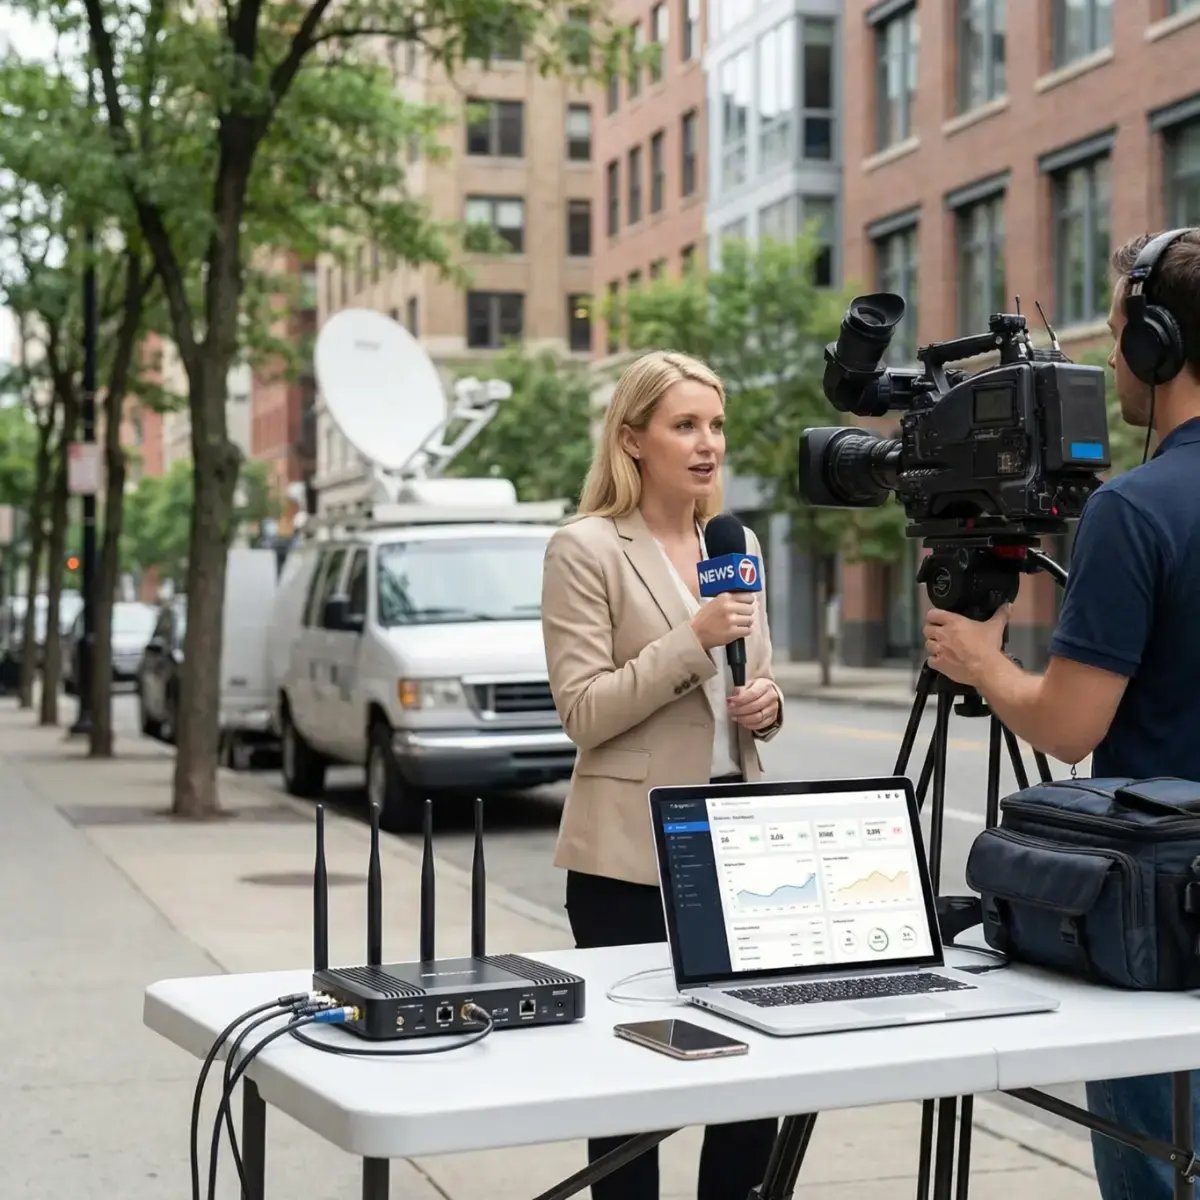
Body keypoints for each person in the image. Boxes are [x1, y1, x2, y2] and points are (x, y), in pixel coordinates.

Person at [921, 228, 1200, 1200]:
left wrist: (982, 663)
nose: (1114, 359)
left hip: (1167, 919)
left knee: (1159, 1177)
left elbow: (1070, 724)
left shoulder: (1137, 510)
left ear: (1156, 346)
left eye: (1122, 333)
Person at [541, 350, 784, 1200]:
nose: (707, 442)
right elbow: (584, 712)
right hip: (628, 860)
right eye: (685, 425)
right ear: (633, 438)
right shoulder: (585, 549)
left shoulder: (736, 541)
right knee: (636, 1083)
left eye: (715, 425)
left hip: (740, 847)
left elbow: (751, 675)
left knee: (755, 1070)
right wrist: (694, 642)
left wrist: (766, 703)